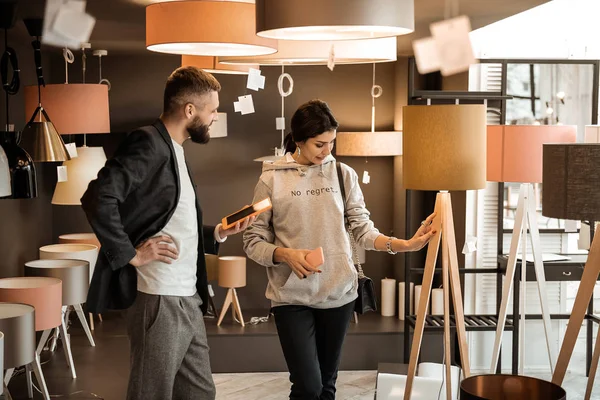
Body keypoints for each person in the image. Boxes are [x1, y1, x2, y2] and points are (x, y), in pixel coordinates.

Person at [243, 99, 436, 400]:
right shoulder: (271, 179)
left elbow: (362, 229)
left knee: (327, 385)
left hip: (339, 295)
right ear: (298, 140)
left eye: (332, 143)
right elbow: (252, 242)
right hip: (291, 297)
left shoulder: (344, 175)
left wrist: (406, 244)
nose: (327, 151)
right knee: (307, 386)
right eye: (320, 144)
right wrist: (285, 255)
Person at [81, 66, 254, 400]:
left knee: (200, 393)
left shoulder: (175, 149)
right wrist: (131, 254)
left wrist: (218, 232)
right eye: (213, 109)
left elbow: (171, 220)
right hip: (159, 296)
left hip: (187, 296)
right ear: (190, 110)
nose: (216, 116)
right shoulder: (148, 142)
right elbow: (97, 197)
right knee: (150, 393)